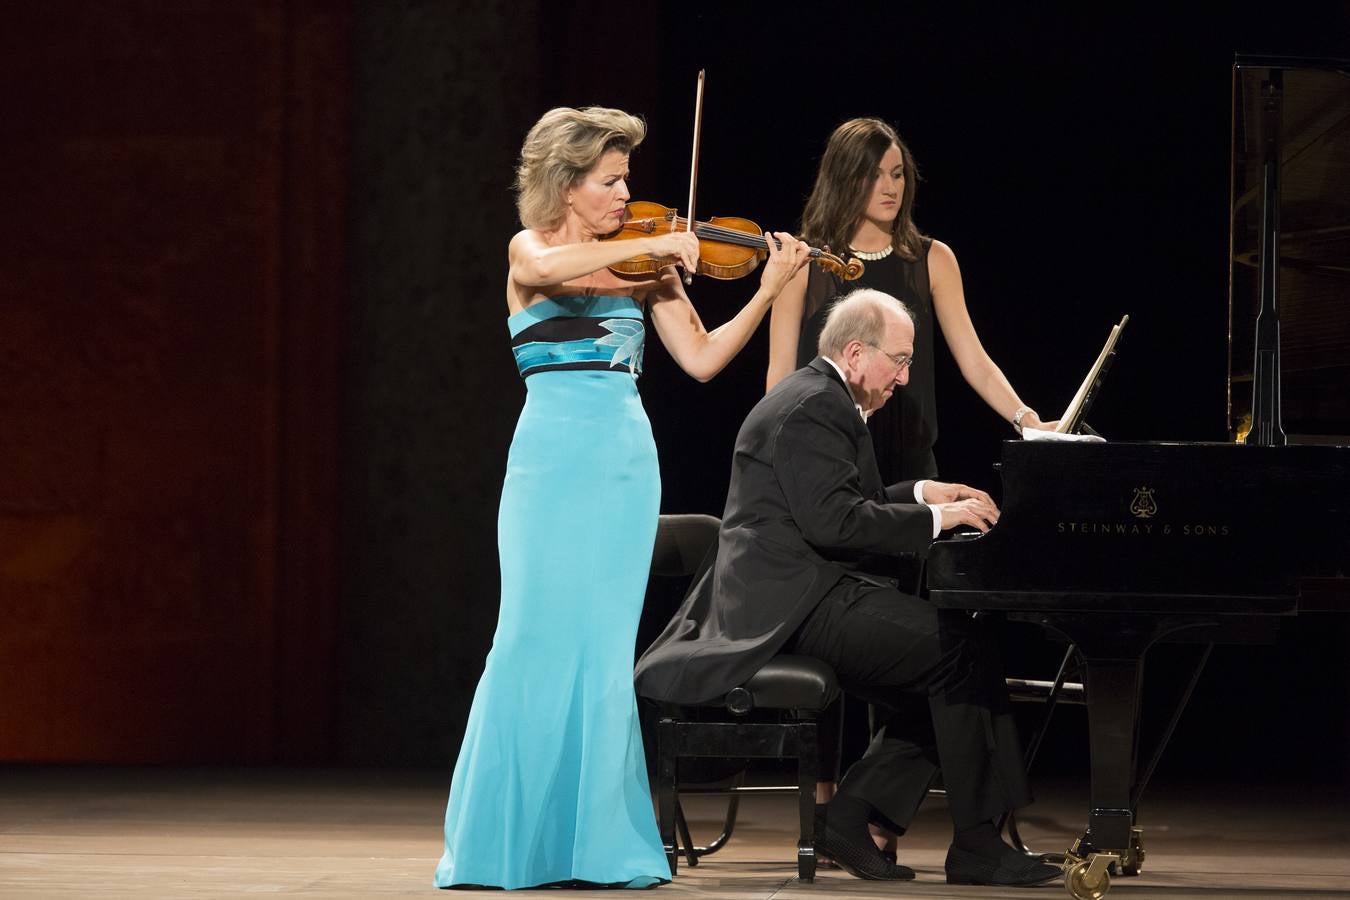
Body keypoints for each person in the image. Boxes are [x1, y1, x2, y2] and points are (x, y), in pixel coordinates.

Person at [434, 106, 810, 890]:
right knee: (529, 639)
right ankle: (505, 844)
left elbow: (703, 360)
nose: (625, 192)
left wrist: (770, 288)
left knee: (603, 654)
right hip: (547, 461)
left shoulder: (652, 269)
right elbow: (542, 274)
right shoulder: (530, 248)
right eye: (611, 180)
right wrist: (659, 243)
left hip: (624, 467)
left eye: (626, 179)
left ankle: (600, 844)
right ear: (567, 185)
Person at [635, 289, 1061, 887]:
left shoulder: (821, 396)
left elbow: (837, 505)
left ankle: (861, 815)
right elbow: (835, 524)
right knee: (956, 649)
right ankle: (971, 842)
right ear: (857, 353)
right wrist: (941, 521)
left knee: (954, 651)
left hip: (805, 588)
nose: (905, 378)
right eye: (900, 361)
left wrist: (921, 494)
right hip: (790, 604)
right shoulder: (815, 405)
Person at [767, 117, 1053, 483]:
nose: (891, 188)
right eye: (875, 175)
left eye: (898, 174)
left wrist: (1028, 420)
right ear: (844, 178)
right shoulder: (803, 261)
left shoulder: (934, 260)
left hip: (909, 464)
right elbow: (780, 377)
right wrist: (770, 456)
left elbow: (975, 361)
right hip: (823, 458)